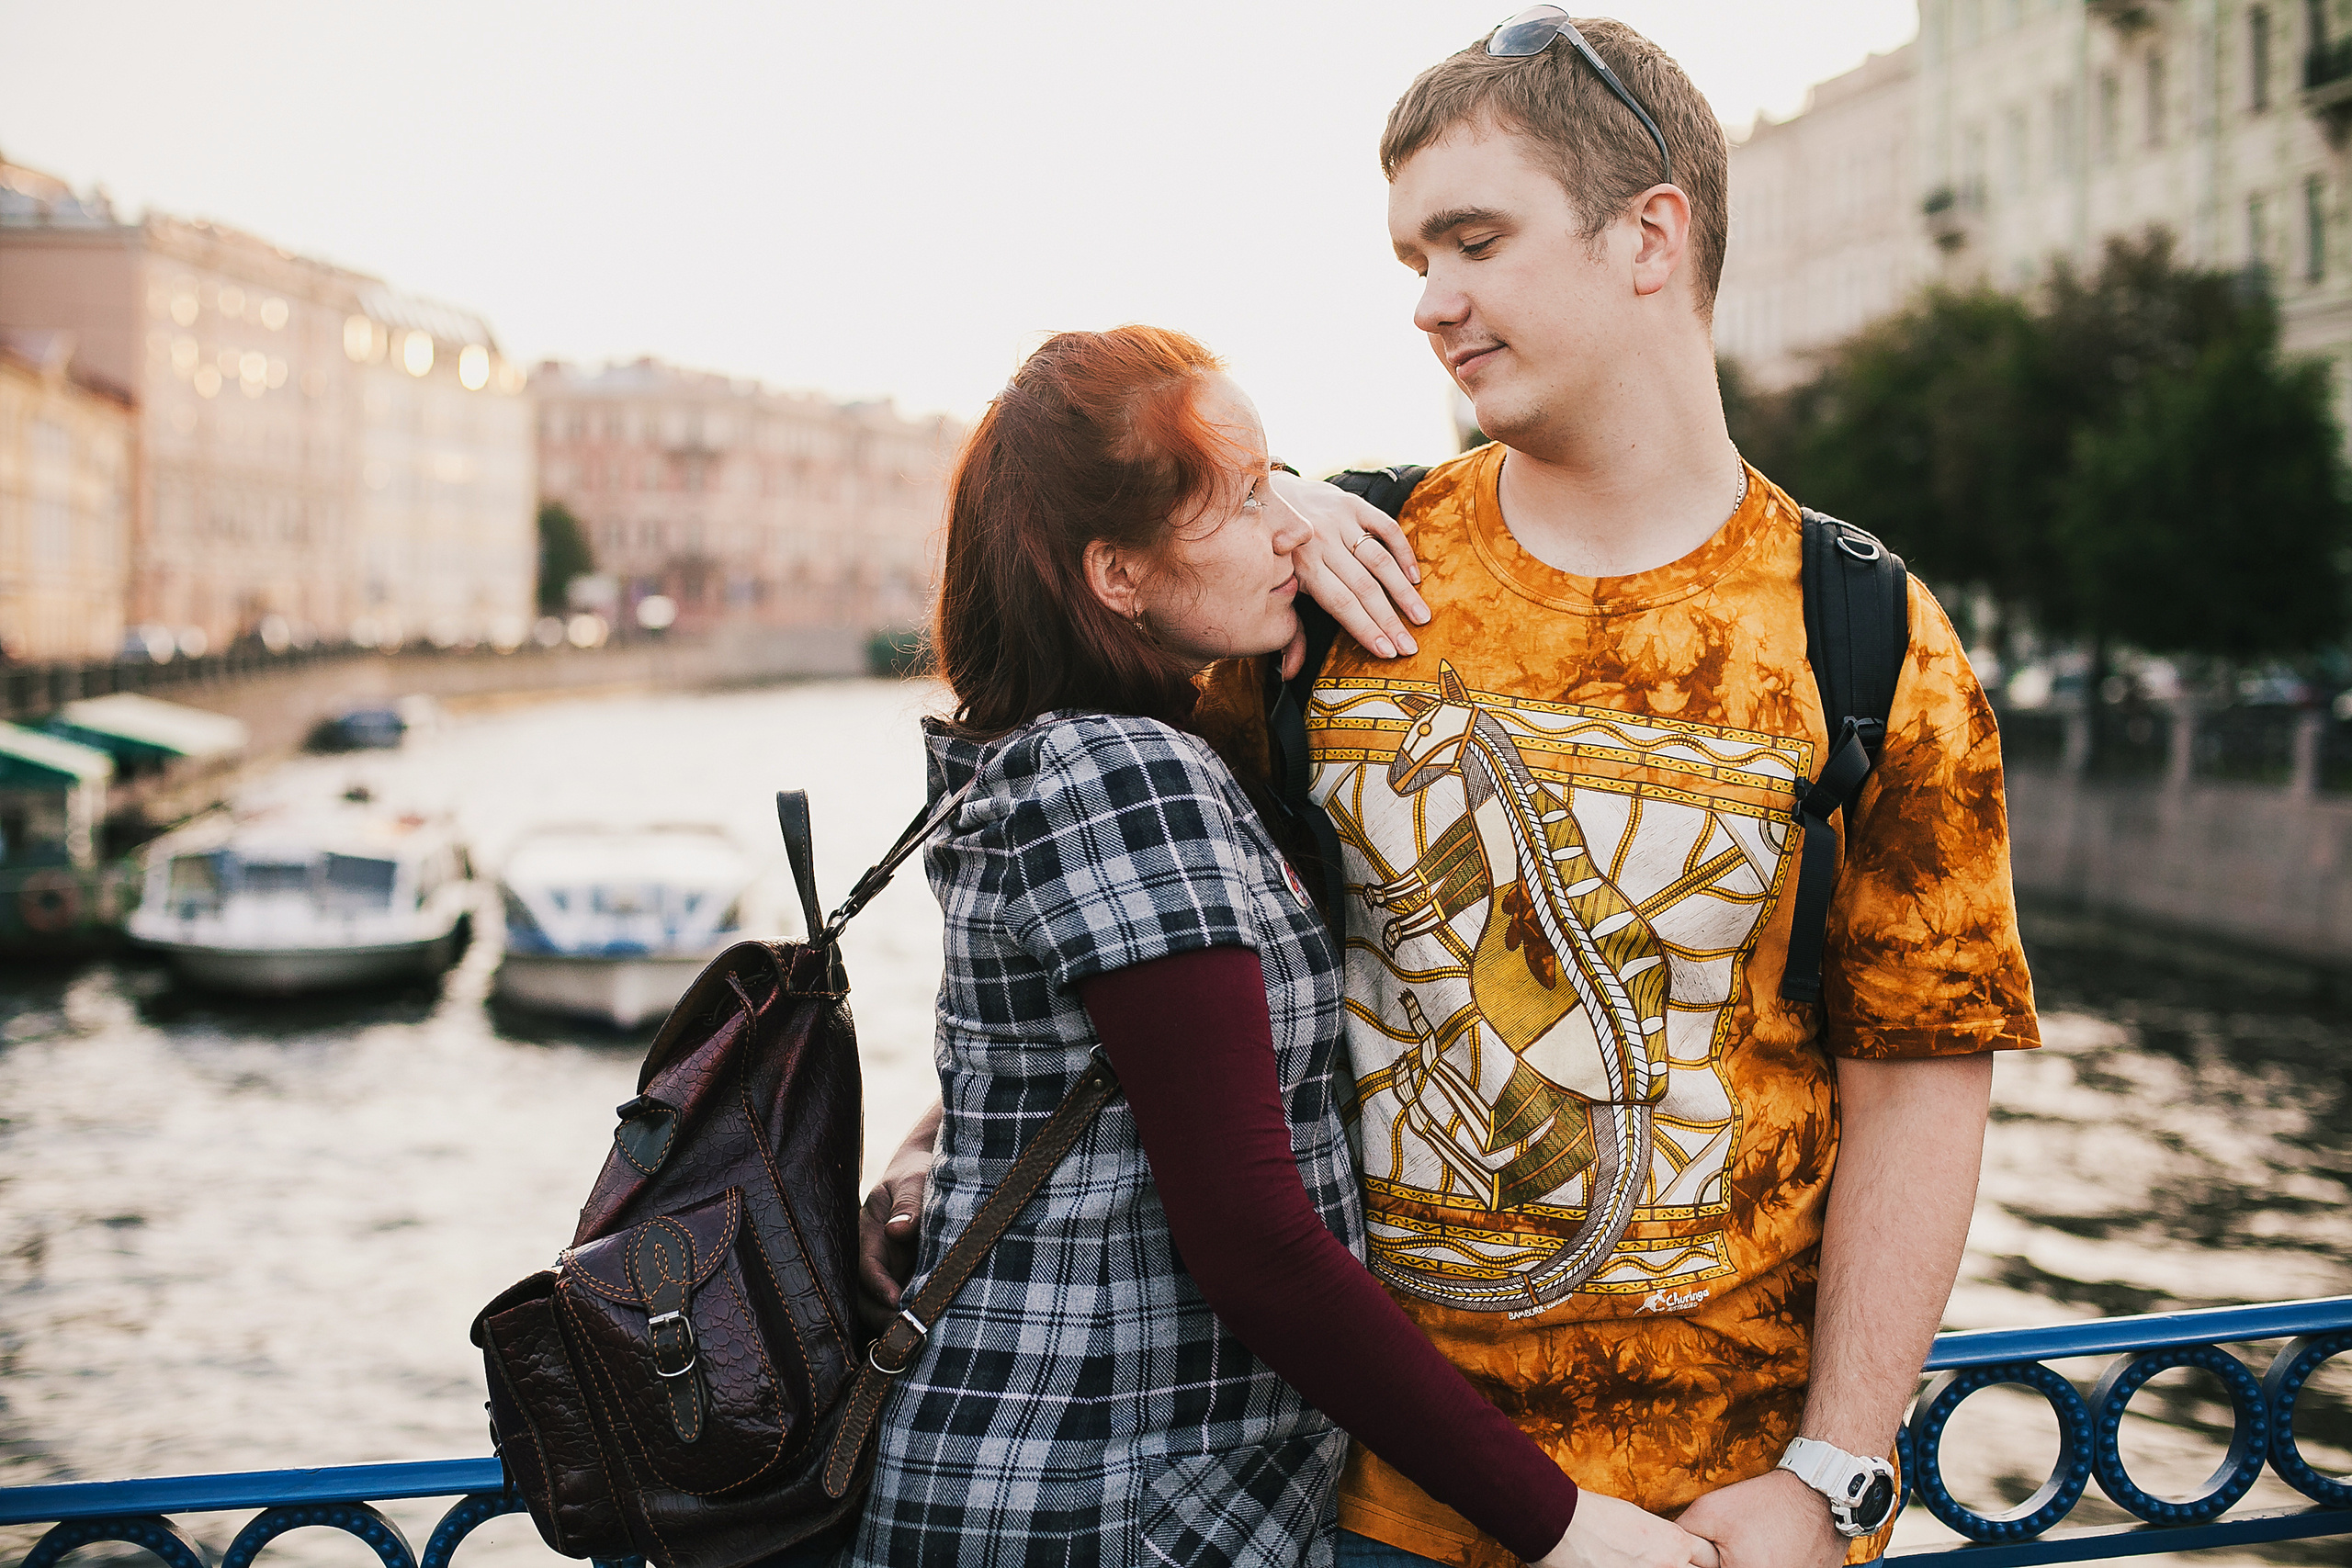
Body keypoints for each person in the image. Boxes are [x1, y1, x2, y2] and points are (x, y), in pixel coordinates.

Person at [867, 14, 2041, 1568]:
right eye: (1413, 256)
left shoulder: (1870, 637)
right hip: (1340, 1506)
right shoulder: (1342, 583)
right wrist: (933, 1157)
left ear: (1650, 235)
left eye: (1474, 241)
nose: (1430, 303)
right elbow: (1094, 911)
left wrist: (1836, 1470)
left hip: (1719, 1519)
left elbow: (1919, 1066)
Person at [847, 324, 1714, 1568]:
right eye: (1248, 503)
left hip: (1064, 1479)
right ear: (1117, 576)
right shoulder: (1125, 775)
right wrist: (1559, 1524)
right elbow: (1253, 1243)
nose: (1289, 533)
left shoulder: (1052, 751)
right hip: (1096, 1502)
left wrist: (1274, 493)